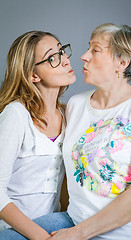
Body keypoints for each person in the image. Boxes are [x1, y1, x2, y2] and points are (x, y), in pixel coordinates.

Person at [1, 24, 131, 240]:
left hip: (111, 230)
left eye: (95, 50)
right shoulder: (71, 107)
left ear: (122, 63)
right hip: (56, 223)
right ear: (33, 75)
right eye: (52, 58)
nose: (78, 57)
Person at [51, 23, 131, 239]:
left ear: (122, 62)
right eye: (87, 48)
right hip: (75, 222)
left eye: (95, 50)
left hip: (127, 234)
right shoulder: (76, 104)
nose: (83, 56)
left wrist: (76, 234)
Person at [0, 30, 76, 239]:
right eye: (53, 57)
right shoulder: (16, 115)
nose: (65, 60)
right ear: (33, 75)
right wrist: (40, 236)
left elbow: (111, 111)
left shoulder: (70, 113)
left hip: (54, 225)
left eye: (62, 51)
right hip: (13, 232)